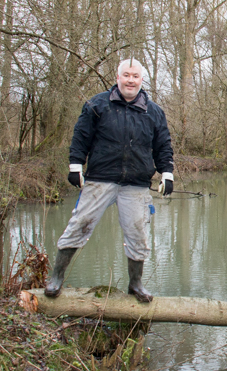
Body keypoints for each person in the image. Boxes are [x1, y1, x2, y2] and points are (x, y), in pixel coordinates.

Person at [44, 59, 174, 301]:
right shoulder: (97, 104)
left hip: (135, 183)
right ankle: (56, 278)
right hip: (100, 178)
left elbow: (163, 145)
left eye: (135, 76)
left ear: (141, 80)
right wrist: (75, 165)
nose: (131, 80)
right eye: (126, 75)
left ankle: (135, 284)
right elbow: (80, 136)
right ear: (117, 77)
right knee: (79, 223)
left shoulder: (153, 112)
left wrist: (167, 173)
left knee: (138, 234)